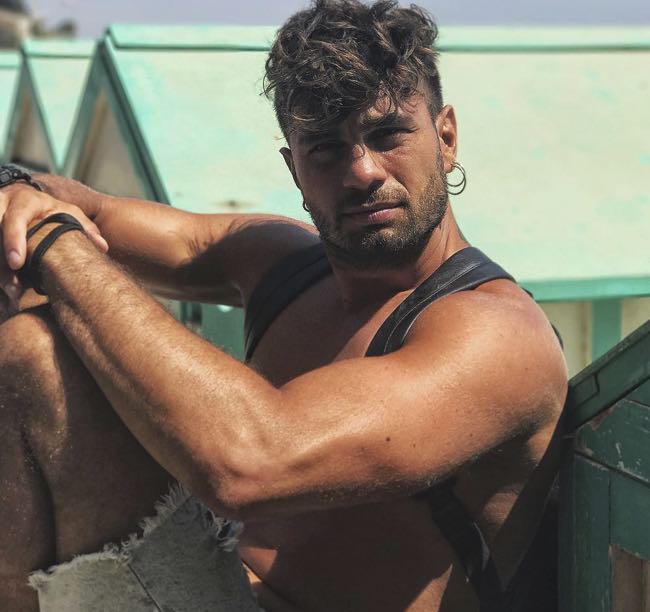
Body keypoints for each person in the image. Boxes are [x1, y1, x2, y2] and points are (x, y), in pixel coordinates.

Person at [0, 0, 567, 610]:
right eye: (325, 149)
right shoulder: (282, 263)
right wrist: (18, 194)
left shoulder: (497, 335)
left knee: (34, 351)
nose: (363, 172)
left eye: (388, 135)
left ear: (445, 137)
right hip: (213, 582)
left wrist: (53, 241)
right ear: (294, 168)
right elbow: (92, 211)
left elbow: (251, 463)